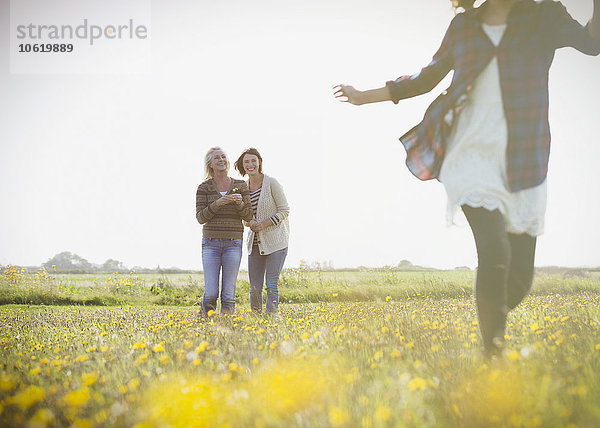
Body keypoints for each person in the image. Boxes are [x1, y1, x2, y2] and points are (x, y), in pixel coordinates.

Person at [334, 0, 600, 355]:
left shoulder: (544, 16)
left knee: (519, 278)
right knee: (494, 251)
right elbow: (426, 78)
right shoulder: (463, 27)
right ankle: (493, 356)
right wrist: (363, 96)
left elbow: (592, 43)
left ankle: (489, 325)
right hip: (468, 153)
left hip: (524, 156)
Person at [196, 147, 253, 315]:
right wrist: (218, 204)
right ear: (210, 164)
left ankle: (227, 328)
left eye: (223, 157)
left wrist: (240, 204)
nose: (221, 160)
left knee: (228, 294)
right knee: (211, 292)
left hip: (233, 243)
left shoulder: (240, 185)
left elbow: (248, 216)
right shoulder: (204, 188)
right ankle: (206, 324)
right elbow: (200, 218)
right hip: (210, 243)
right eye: (216, 158)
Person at [234, 148, 290, 314]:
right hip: (255, 243)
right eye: (246, 162)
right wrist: (249, 222)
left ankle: (271, 318)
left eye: (253, 160)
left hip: (276, 241)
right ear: (242, 166)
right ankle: (257, 319)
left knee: (271, 284)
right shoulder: (242, 187)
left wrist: (264, 223)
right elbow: (244, 216)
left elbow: (284, 210)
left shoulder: (272, 182)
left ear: (259, 162)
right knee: (254, 287)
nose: (250, 164)